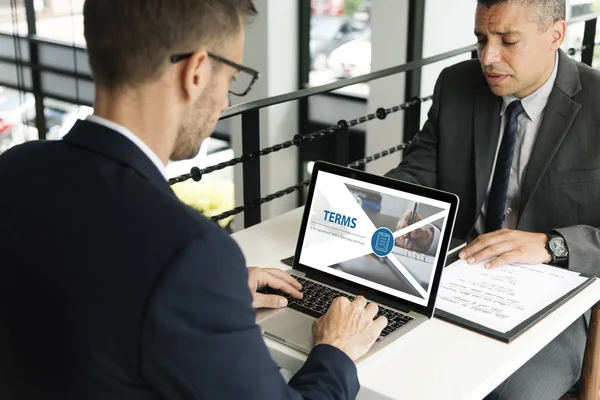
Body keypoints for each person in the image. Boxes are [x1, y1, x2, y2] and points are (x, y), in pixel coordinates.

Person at [0, 1, 387, 399]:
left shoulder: (15, 169)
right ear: (196, 72)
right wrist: (336, 351)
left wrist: (211, 299)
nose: (227, 103)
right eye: (232, 79)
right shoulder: (189, 252)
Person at [386, 0, 600, 398]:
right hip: (458, 270)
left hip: (558, 296)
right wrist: (386, 205)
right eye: (481, 39)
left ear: (556, 34)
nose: (488, 57)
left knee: (508, 392)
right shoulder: (456, 84)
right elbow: (419, 170)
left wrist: (551, 244)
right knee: (384, 356)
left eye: (508, 40)